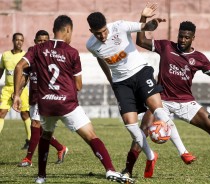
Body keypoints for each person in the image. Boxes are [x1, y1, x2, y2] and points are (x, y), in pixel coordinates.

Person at [128, 5, 210, 177]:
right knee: (144, 130)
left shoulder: (199, 58)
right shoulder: (166, 47)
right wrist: (143, 18)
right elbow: (140, 41)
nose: (182, 40)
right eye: (180, 36)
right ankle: (128, 170)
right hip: (161, 100)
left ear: (193, 38)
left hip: (186, 102)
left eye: (186, 37)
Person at [13, 15, 133, 184]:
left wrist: (17, 95)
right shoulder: (72, 52)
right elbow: (78, 85)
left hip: (46, 104)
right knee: (91, 136)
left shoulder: (37, 49)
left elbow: (19, 67)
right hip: (67, 104)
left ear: (54, 30)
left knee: (46, 135)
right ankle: (110, 170)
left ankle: (41, 177)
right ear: (68, 30)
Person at [86, 3, 195, 179]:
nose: (102, 35)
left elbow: (144, 27)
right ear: (92, 31)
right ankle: (151, 156)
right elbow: (100, 59)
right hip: (121, 83)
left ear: (107, 25)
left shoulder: (120, 26)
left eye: (104, 31)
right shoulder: (91, 45)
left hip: (140, 72)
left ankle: (183, 151)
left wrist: (149, 21)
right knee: (130, 124)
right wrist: (111, 79)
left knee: (158, 110)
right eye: (98, 33)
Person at [18, 30, 68, 167]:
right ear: (35, 41)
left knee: (35, 124)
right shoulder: (31, 55)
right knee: (40, 130)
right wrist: (18, 91)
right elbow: (25, 76)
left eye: (45, 41)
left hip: (45, 95)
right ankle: (60, 148)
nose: (42, 43)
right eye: (39, 41)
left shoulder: (51, 57)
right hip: (33, 95)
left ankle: (28, 159)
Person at [0, 32, 31, 150]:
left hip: (21, 89)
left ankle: (29, 140)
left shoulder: (26, 56)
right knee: (2, 112)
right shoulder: (5, 55)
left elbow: (26, 76)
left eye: (21, 40)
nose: (19, 42)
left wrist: (19, 91)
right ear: (13, 41)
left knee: (24, 114)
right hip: (7, 88)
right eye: (17, 40)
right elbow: (1, 71)